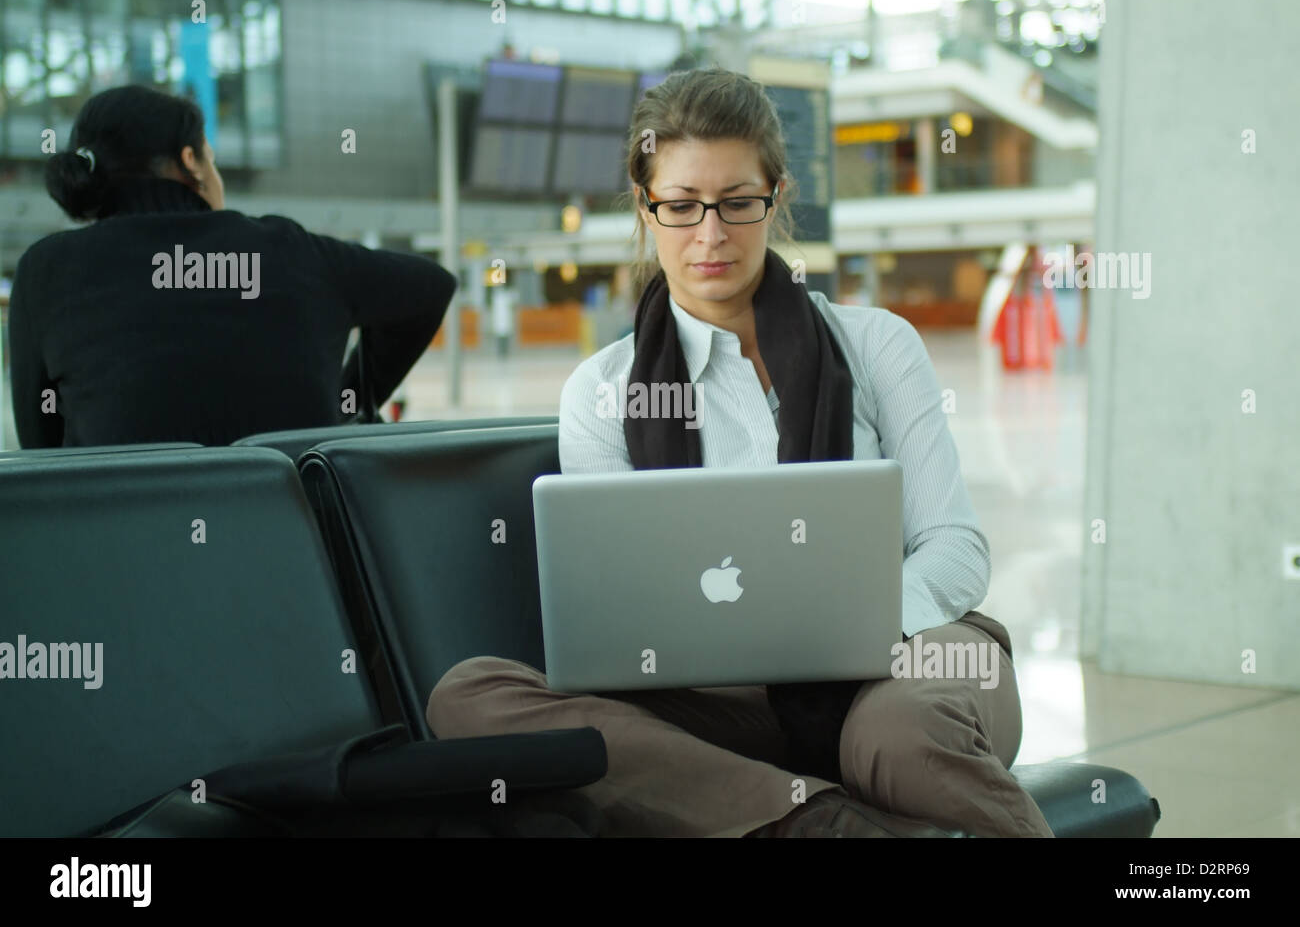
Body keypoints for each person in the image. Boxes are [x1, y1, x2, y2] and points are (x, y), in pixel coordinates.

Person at [426, 67, 1054, 837]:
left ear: (776, 198)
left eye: (737, 203)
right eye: (682, 206)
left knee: (897, 737)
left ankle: (756, 808)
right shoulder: (601, 390)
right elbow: (622, 609)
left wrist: (853, 628)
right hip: (722, 702)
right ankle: (821, 823)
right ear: (645, 207)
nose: (711, 234)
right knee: (470, 695)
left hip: (908, 662)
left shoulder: (877, 344)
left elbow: (954, 548)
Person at [8, 85, 454, 448]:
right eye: (212, 159)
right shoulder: (290, 252)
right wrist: (348, 398)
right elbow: (431, 286)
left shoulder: (46, 272)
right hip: (296, 550)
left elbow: (43, 456)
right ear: (189, 162)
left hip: (119, 549)